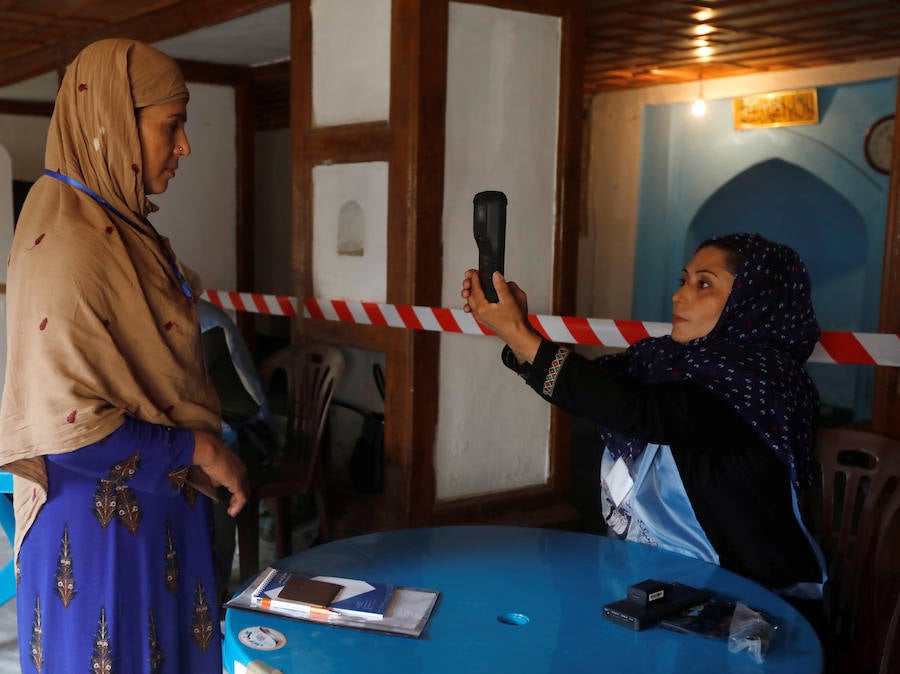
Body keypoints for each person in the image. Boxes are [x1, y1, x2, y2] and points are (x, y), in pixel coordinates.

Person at [0, 39, 248, 673]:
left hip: (159, 514)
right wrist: (202, 449)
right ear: (114, 122)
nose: (184, 146)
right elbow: (71, 433)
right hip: (101, 540)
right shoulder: (71, 244)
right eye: (172, 125)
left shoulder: (121, 229)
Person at [461, 233, 826, 623]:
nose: (679, 296)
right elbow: (596, 389)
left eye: (704, 284)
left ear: (753, 300)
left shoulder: (763, 382)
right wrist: (520, 335)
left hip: (744, 609)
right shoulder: (667, 360)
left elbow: (641, 411)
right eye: (683, 281)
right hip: (658, 583)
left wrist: (520, 335)